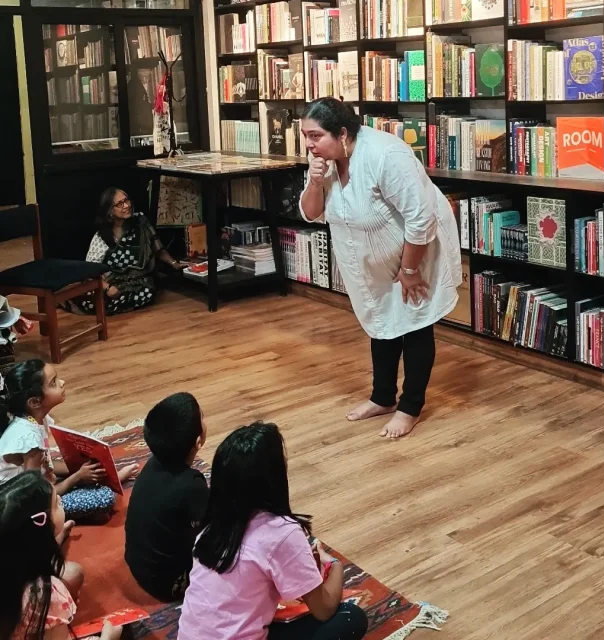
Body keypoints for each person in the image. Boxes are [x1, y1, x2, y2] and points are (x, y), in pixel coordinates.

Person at [300, 98, 462, 439]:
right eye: (305, 136)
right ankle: (383, 398)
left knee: (415, 324)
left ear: (342, 133)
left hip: (416, 252)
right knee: (382, 323)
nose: (309, 144)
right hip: (372, 262)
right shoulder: (324, 161)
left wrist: (410, 270)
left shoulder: (386, 155)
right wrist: (314, 182)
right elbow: (311, 213)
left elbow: (420, 219)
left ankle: (410, 407)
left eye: (315, 136)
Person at [178, 421, 368, 640]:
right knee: (350, 618)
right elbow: (323, 609)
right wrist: (335, 565)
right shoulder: (281, 531)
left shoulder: (212, 521)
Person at [0, 359, 138, 522]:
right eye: (53, 383)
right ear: (35, 402)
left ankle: (107, 482)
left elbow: (46, 465)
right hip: (18, 505)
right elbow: (35, 495)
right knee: (104, 497)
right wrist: (77, 477)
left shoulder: (35, 420)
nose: (62, 382)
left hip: (38, 485)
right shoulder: (28, 438)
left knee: (86, 471)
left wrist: (80, 469)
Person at [0, 470, 122, 640]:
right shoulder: (46, 595)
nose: (60, 499)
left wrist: (53, 539)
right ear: (41, 524)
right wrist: (108, 638)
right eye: (56, 503)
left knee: (73, 573)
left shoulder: (11, 556)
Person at [125, 392, 209, 602]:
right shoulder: (192, 484)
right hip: (169, 584)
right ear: (198, 441)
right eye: (203, 417)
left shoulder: (153, 463)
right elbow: (212, 530)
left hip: (137, 565)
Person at [63, 187, 186, 316]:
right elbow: (89, 269)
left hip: (139, 282)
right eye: (120, 204)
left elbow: (158, 248)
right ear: (110, 211)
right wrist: (108, 288)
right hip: (111, 282)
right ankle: (67, 300)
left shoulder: (140, 221)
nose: (127, 205)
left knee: (146, 292)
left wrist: (174, 264)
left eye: (126, 200)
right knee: (92, 299)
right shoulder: (102, 236)